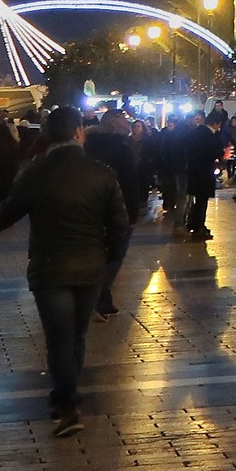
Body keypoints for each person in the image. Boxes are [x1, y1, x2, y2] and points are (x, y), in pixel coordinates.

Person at [0, 106, 131, 437]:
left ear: (46, 135)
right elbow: (120, 227)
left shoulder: (36, 172)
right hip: (89, 267)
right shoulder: (101, 172)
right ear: (79, 132)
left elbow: (4, 217)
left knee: (58, 340)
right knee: (77, 337)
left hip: (50, 267)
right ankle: (65, 398)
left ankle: (67, 404)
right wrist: (108, 264)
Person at [83, 108, 142, 320]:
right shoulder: (121, 149)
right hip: (117, 208)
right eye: (123, 121)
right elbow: (129, 182)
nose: (128, 124)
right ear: (113, 125)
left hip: (90, 207)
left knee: (96, 251)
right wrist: (132, 213)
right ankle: (98, 295)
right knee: (115, 253)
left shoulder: (86, 146)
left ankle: (102, 299)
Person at [183, 109, 225, 239]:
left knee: (198, 200)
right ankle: (198, 226)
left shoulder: (196, 132)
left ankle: (195, 224)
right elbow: (214, 152)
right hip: (204, 173)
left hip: (194, 171)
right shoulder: (209, 135)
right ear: (216, 123)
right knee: (202, 201)